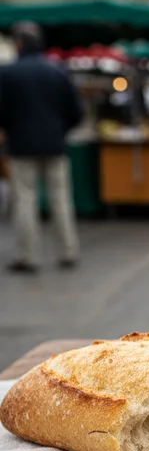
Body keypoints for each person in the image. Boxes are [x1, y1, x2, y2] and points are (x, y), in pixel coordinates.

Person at [0, 22, 83, 273]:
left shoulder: (7, 74)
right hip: (55, 144)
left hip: (22, 145)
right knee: (61, 198)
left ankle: (28, 255)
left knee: (25, 200)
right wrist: (60, 130)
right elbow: (76, 112)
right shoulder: (57, 72)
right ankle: (68, 250)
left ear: (18, 43)